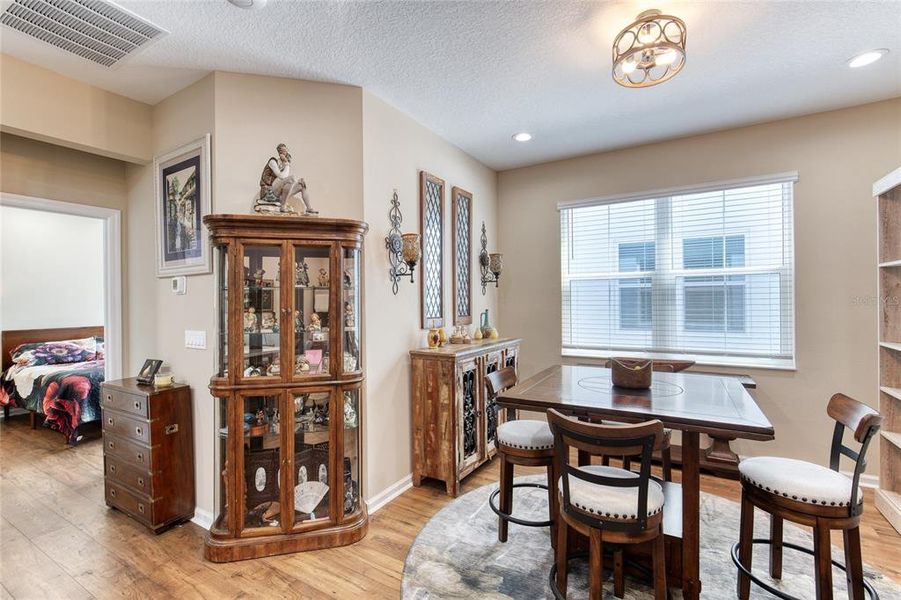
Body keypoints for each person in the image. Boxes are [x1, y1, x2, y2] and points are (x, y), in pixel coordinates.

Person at [256, 143, 317, 215]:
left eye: (286, 151)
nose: (285, 153)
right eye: (283, 151)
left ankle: (309, 208)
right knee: (291, 178)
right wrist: (287, 164)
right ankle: (283, 206)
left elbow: (286, 178)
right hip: (268, 193)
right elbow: (282, 177)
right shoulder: (273, 162)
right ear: (280, 153)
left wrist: (298, 180)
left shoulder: (283, 165)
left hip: (277, 194)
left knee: (301, 185)